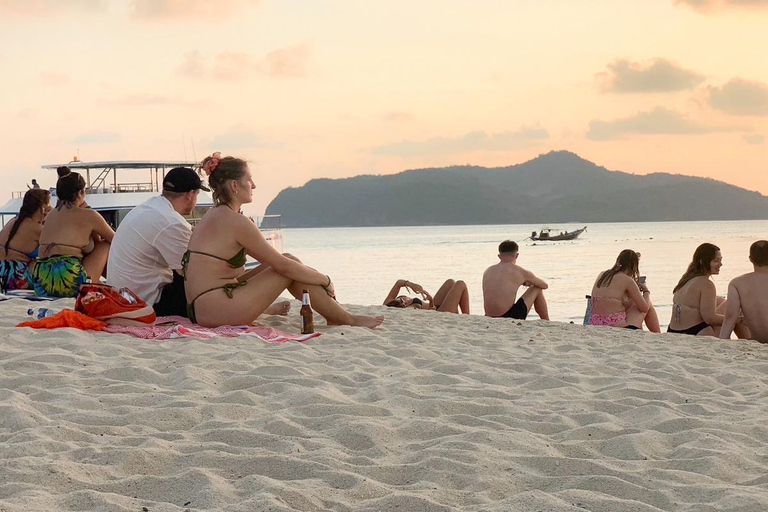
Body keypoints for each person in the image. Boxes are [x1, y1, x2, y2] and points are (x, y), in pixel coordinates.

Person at [182, 153, 384, 328]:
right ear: (234, 185)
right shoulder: (235, 221)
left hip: (203, 307)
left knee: (288, 258)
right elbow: (283, 268)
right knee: (286, 268)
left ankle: (337, 315)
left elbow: (281, 262)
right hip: (215, 309)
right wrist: (325, 279)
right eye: (249, 179)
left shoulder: (216, 214)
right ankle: (344, 318)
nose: (253, 185)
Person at [106, 167, 209, 317]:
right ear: (190, 194)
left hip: (123, 296)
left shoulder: (150, 207)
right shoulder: (170, 222)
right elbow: (191, 271)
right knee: (201, 278)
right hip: (145, 303)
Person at [28, 166, 114, 297]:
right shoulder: (89, 215)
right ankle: (115, 283)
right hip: (68, 279)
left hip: (42, 280)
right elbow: (116, 239)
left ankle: (102, 284)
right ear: (80, 193)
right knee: (105, 245)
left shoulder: (50, 215)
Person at [668, 243, 745, 337]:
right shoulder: (706, 284)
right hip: (695, 332)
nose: (720, 264)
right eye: (716, 261)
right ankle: (748, 338)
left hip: (673, 331)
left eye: (720, 260)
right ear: (702, 261)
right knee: (734, 303)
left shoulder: (686, 280)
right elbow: (710, 318)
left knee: (720, 300)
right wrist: (738, 320)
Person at [483, 240, 549, 320]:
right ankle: (546, 320)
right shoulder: (520, 271)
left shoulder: (488, 270)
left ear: (499, 256)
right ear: (516, 255)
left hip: (488, 316)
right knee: (536, 288)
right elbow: (544, 285)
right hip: (508, 316)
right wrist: (530, 283)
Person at [0, 189, 51, 290]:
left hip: (2, 271)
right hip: (14, 276)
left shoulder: (14, 221)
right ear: (42, 208)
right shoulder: (37, 229)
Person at [587, 249, 651, 330]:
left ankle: (655, 334)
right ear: (634, 266)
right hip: (617, 326)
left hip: (595, 323)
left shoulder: (602, 274)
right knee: (648, 305)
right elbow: (644, 308)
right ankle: (657, 334)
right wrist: (646, 291)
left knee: (634, 303)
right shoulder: (627, 280)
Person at [720, 240, 768, 343]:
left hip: (760, 341)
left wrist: (722, 341)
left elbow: (730, 316)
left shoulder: (737, 283)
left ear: (750, 259)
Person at [383, 278, 469, 313]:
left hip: (436, 306)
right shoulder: (409, 310)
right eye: (403, 304)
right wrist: (431, 301)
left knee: (450, 282)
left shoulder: (387, 303)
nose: (404, 302)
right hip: (440, 312)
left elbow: (398, 283)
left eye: (401, 300)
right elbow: (431, 313)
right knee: (460, 284)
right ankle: (466, 316)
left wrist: (411, 285)